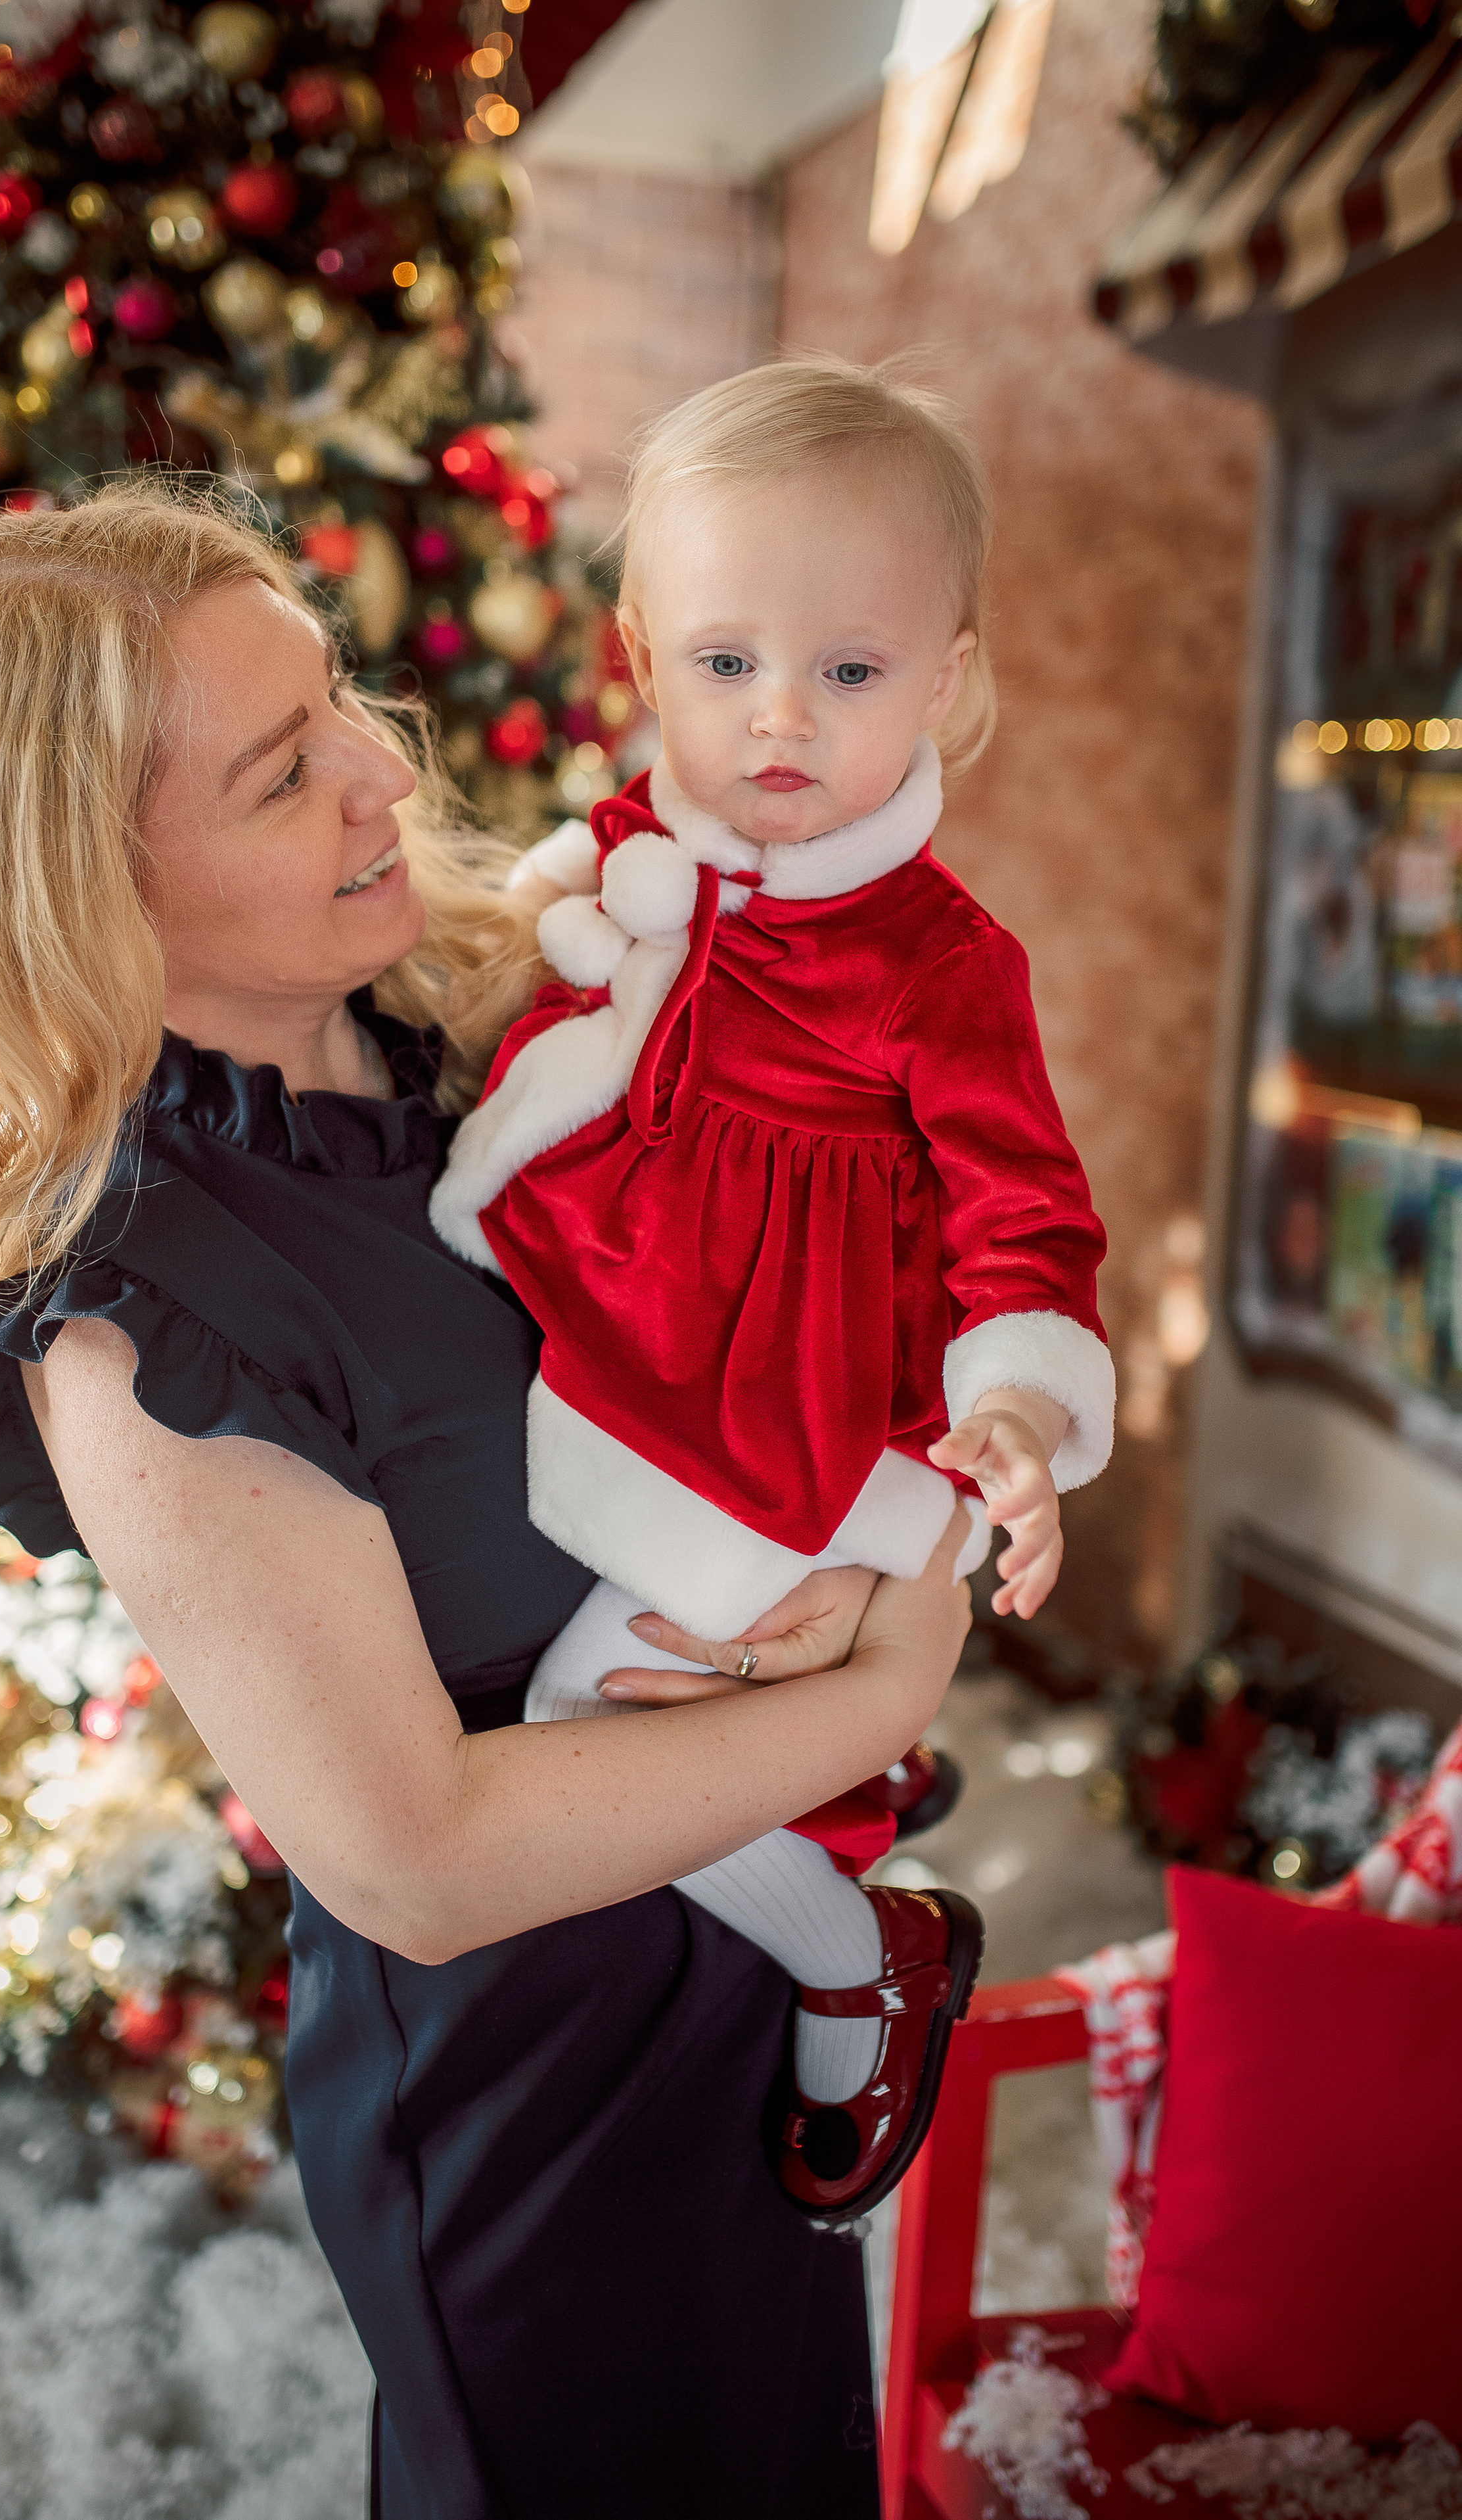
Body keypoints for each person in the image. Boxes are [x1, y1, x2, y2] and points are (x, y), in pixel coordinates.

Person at [0, 482, 975, 2520]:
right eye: (280, 774)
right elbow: (416, 1855)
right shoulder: (141, 1309)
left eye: (332, 696)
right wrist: (888, 1683)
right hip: (540, 2091)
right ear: (90, 887)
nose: (374, 771)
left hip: (761, 1988)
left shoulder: (488, 1026)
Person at [430, 360, 1116, 2222]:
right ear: (645, 654)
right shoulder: (645, 852)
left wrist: (1020, 1414)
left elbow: (1026, 1221)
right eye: (728, 664)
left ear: (950, 675)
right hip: (634, 1348)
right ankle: (848, 1797)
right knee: (643, 1704)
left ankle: (857, 1952)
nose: (783, 717)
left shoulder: (938, 960)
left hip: (778, 1414)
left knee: (587, 1735)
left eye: (853, 668)